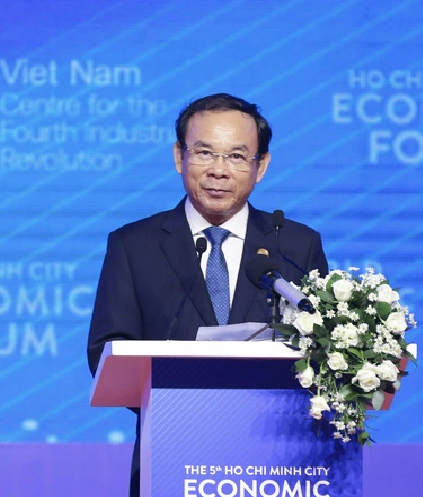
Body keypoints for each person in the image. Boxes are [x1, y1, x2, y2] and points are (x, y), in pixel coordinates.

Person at [86, 92, 329, 496]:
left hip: (279, 468)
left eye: (236, 156)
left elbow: (322, 345)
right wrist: (191, 405)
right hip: (171, 462)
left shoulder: (296, 246)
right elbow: (108, 350)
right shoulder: (135, 245)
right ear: (179, 157)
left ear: (261, 166)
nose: (219, 171)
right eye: (204, 153)